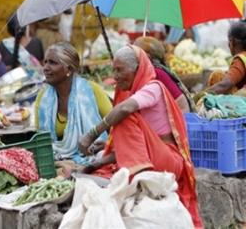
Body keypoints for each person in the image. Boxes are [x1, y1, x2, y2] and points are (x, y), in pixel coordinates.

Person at [79, 45, 203, 227]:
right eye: (114, 69)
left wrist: (90, 135)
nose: (115, 76)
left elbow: (124, 110)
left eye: (120, 70)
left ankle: (137, 177)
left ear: (137, 70)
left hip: (170, 160)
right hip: (156, 157)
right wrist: (97, 163)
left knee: (123, 117)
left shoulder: (153, 88)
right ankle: (136, 175)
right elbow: (138, 147)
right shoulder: (136, 93)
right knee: (122, 119)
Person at [34, 42, 112, 164]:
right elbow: (41, 141)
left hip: (93, 160)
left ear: (69, 69)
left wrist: (107, 144)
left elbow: (117, 127)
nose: (45, 68)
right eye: (45, 62)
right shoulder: (43, 97)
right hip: (56, 161)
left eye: (52, 63)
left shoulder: (92, 91)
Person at [134, 36, 195, 112]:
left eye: (134, 51)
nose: (131, 54)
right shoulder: (144, 72)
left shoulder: (157, 73)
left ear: (146, 56)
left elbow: (182, 104)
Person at [0, 13, 44, 80]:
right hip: (35, 83)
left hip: (13, 83)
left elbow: (1, 69)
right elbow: (41, 65)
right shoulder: (36, 43)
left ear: (9, 29)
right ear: (25, 27)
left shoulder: (3, 44)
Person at [207, 21, 246, 94]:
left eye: (229, 41)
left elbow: (225, 84)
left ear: (233, 41)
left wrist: (202, 95)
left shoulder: (240, 59)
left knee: (217, 75)